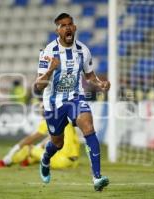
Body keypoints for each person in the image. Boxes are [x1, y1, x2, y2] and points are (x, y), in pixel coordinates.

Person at [35, 13, 110, 191]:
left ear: (74, 27)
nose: (67, 28)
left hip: (75, 97)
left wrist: (100, 84)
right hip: (53, 103)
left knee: (89, 127)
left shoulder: (83, 50)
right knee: (58, 143)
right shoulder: (48, 52)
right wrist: (50, 70)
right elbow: (39, 85)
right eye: (63, 25)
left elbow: (89, 75)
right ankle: (46, 159)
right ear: (57, 30)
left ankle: (97, 178)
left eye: (70, 24)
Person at [0, 119, 80, 169]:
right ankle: (27, 161)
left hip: (60, 161)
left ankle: (6, 162)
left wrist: (14, 149)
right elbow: (54, 138)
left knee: (29, 148)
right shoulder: (65, 119)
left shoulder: (50, 119)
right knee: (43, 150)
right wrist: (40, 145)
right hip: (73, 162)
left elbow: (31, 139)